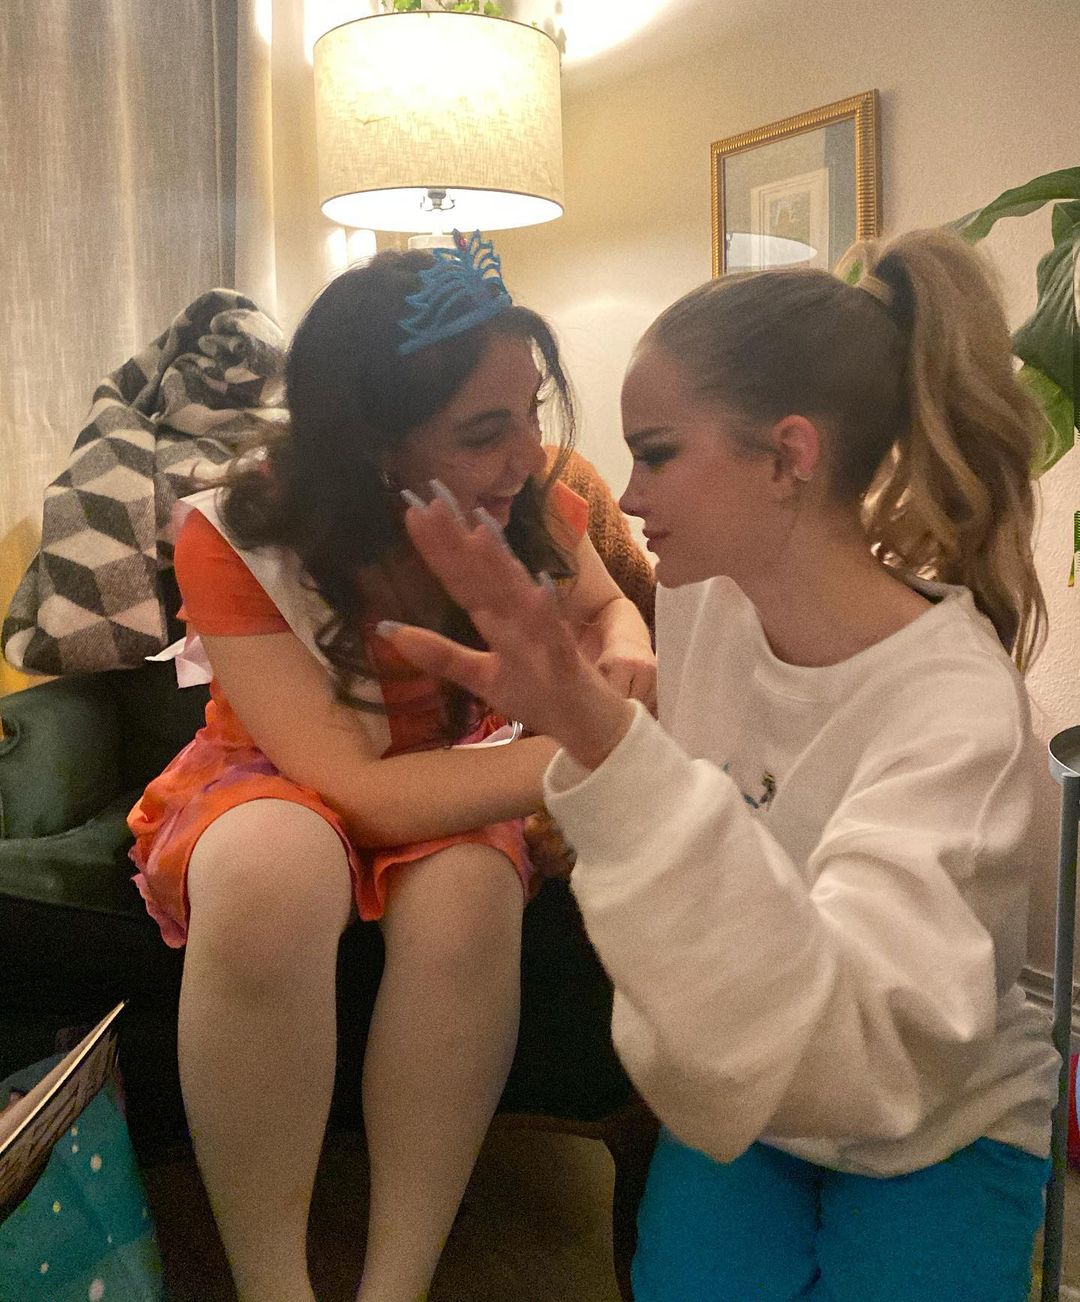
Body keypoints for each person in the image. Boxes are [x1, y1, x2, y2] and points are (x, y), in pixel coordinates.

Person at [384, 227, 1060, 1301]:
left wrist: (603, 741)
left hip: (930, 1114)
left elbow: (855, 1059)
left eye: (656, 452)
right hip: (748, 1096)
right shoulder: (702, 600)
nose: (627, 496)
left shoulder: (956, 711)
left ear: (788, 457)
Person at [126, 232, 655, 1302]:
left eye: (532, 414)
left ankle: (394, 1287)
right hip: (278, 771)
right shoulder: (240, 534)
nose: (528, 456)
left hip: (455, 762)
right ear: (372, 441)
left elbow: (606, 605)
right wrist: (606, 749)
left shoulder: (530, 504)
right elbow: (354, 789)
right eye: (484, 432)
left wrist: (626, 647)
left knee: (469, 895)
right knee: (271, 870)